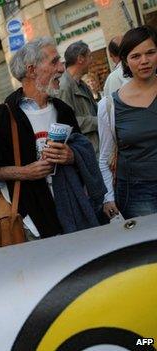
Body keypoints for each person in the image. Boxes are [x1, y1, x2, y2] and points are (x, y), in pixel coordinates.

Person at [0, 37, 106, 238]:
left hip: (74, 215)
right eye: (54, 62)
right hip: (29, 223)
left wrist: (72, 155)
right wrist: (25, 172)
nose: (62, 68)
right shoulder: (1, 117)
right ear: (31, 70)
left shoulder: (64, 111)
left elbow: (82, 152)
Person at [98, 26, 157, 220]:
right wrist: (108, 197)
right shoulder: (109, 105)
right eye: (135, 56)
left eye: (151, 53)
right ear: (125, 60)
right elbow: (104, 157)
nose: (144, 61)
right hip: (137, 194)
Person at [57, 40, 99, 153]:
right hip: (86, 151)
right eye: (90, 56)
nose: (92, 60)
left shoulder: (81, 84)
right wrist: (99, 121)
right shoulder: (64, 86)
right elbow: (67, 123)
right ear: (80, 59)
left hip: (95, 147)